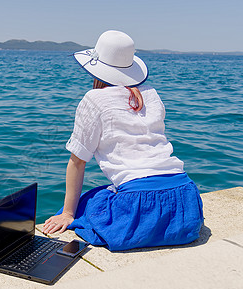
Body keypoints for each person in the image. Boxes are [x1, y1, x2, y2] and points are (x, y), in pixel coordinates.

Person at [42, 30, 204, 251]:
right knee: (106, 192)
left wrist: (68, 214)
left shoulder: (94, 99)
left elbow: (78, 162)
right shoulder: (152, 95)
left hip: (139, 204)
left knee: (89, 202)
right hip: (186, 202)